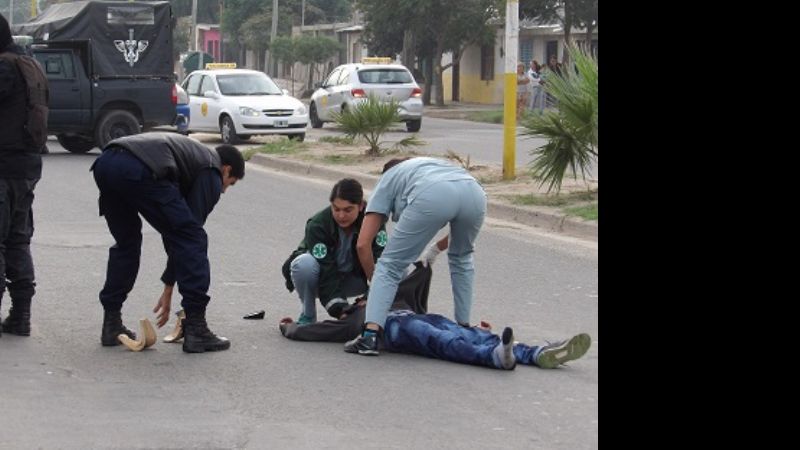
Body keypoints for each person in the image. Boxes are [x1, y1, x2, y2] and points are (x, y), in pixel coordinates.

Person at [90, 132, 244, 353]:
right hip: (138, 166)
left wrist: (169, 285)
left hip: (106, 163)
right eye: (230, 183)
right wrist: (170, 286)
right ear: (226, 169)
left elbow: (173, 233)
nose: (224, 190)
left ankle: (111, 323)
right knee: (193, 237)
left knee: (127, 242)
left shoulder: (192, 159)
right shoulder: (211, 168)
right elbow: (187, 238)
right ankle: (197, 328)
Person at [282, 263, 592, 370]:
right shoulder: (357, 316)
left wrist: (437, 247)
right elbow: (318, 331)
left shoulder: (395, 292)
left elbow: (421, 269)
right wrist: (290, 328)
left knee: (470, 332)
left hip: (424, 317)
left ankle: (535, 353)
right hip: (399, 329)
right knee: (444, 341)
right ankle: (495, 358)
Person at [345, 156, 486, 356]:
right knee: (462, 258)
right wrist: (435, 249)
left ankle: (369, 336)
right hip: (474, 191)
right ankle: (464, 326)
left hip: (433, 194)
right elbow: (456, 221)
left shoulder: (387, 180)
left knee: (390, 264)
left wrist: (375, 284)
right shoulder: (425, 166)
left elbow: (362, 244)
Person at [280, 178, 387, 324]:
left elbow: (381, 261)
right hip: (322, 279)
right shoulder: (318, 225)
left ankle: (380, 314)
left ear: (361, 206)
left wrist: (370, 298)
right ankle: (308, 315)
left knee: (398, 268)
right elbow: (327, 269)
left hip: (356, 280)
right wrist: (340, 309)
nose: (341, 216)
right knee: (303, 263)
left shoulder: (373, 222)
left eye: (348, 210)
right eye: (336, 209)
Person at [0, 14, 47, 337]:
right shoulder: (30, 65)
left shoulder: (3, 68)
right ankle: (21, 316)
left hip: (3, 167)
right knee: (17, 240)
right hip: (27, 167)